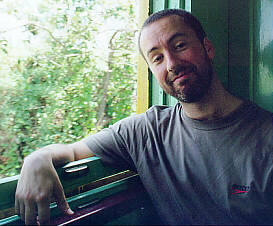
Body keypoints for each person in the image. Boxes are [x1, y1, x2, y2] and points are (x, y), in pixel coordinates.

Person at [15, 8, 272, 225]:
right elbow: (72, 152)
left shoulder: (266, 136)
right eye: (157, 58)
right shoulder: (146, 131)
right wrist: (37, 158)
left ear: (207, 48)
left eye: (179, 46)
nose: (171, 63)